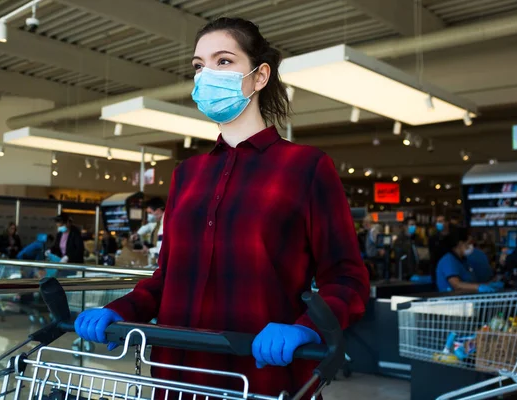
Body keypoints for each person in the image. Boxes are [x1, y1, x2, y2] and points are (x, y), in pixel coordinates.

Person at [74, 17, 369, 398]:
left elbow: (347, 276)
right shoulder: (187, 174)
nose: (206, 75)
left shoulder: (306, 167)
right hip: (176, 375)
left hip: (261, 377)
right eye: (199, 66)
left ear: (260, 76)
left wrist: (307, 326)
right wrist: (123, 309)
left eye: (224, 61)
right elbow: (168, 277)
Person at [437, 226, 502, 293]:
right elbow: (457, 285)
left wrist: (488, 285)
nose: (471, 246)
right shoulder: (448, 261)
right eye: (469, 243)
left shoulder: (465, 261)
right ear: (460, 244)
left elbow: (470, 283)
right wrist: (479, 287)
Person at [428, 215, 450, 284]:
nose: (438, 224)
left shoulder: (452, 238)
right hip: (436, 269)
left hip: (449, 267)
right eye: (437, 222)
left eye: (440, 221)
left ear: (446, 223)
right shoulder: (433, 238)